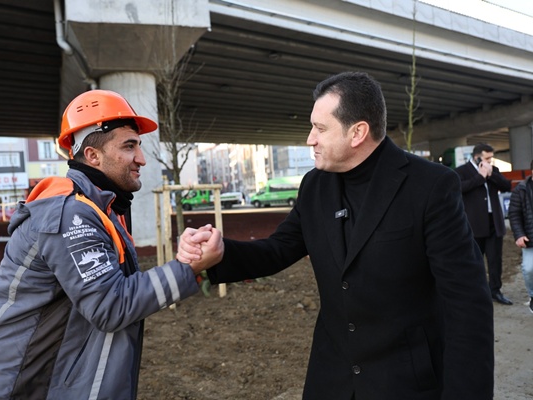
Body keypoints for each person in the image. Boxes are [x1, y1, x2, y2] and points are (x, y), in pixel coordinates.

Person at [181, 71, 494, 399]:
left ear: (358, 132)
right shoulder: (315, 186)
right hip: (330, 381)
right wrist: (220, 253)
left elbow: (467, 303)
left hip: (406, 383)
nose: (309, 139)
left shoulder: (430, 186)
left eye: (320, 128)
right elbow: (279, 249)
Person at [0, 90, 220, 399]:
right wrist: (189, 267)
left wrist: (186, 260)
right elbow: (111, 305)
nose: (142, 159)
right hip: (9, 389)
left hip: (32, 381)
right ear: (93, 156)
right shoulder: (71, 214)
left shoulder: (99, 209)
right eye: (129, 146)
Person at [455, 142, 513, 305]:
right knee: (474, 260)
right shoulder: (462, 171)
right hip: (474, 224)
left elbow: (507, 186)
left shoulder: (493, 170)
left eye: (491, 157)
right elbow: (459, 188)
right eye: (487, 157)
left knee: (495, 260)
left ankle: (495, 290)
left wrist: (490, 174)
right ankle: (473, 292)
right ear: (477, 156)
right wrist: (480, 177)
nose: (490, 160)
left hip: (494, 222)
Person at [508, 159, 533, 314]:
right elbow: (514, 214)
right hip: (530, 238)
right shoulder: (521, 189)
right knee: (529, 269)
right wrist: (519, 234)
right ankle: (532, 295)